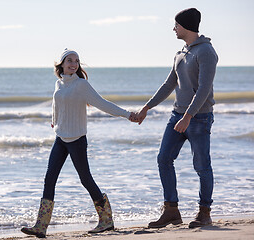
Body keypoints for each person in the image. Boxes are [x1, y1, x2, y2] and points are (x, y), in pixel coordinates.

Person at [21, 49, 135, 238]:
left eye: (76, 61)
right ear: (62, 64)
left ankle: (106, 220)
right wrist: (54, 120)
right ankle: (41, 226)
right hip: (60, 138)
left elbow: (102, 103)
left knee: (85, 179)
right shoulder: (58, 83)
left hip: (77, 140)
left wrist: (127, 114)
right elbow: (55, 103)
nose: (73, 64)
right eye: (69, 60)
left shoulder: (82, 85)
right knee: (49, 179)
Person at [134, 8, 218, 229]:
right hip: (177, 115)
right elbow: (169, 84)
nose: (174, 28)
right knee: (163, 159)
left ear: (186, 26)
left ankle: (204, 213)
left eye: (176, 25)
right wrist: (147, 107)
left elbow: (203, 89)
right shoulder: (181, 53)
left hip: (199, 118)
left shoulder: (206, 52)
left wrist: (189, 116)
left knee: (202, 166)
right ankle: (171, 211)